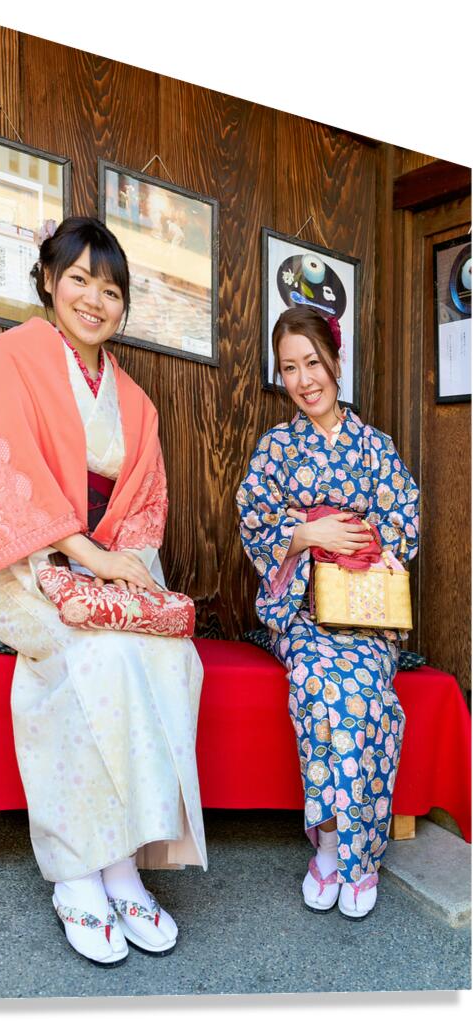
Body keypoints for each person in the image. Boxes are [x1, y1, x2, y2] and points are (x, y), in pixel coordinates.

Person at [0, 216, 207, 966]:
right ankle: (77, 871)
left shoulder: (136, 402)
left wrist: (117, 566)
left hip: (102, 568)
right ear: (49, 282)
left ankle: (123, 863)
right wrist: (80, 556)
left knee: (170, 658)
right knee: (92, 657)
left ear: (123, 306)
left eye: (110, 289)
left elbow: (142, 513)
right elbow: (3, 475)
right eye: (79, 278)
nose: (93, 299)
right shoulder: (15, 355)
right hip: (22, 567)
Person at [236, 306, 419, 920]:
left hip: (363, 609)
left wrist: (365, 543)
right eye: (289, 368)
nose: (303, 379)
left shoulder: (376, 448)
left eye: (312, 362)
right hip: (303, 613)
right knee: (319, 685)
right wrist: (311, 533)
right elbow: (255, 520)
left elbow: (404, 518)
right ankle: (333, 845)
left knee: (368, 696)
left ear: (336, 362)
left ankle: (360, 859)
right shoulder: (276, 448)